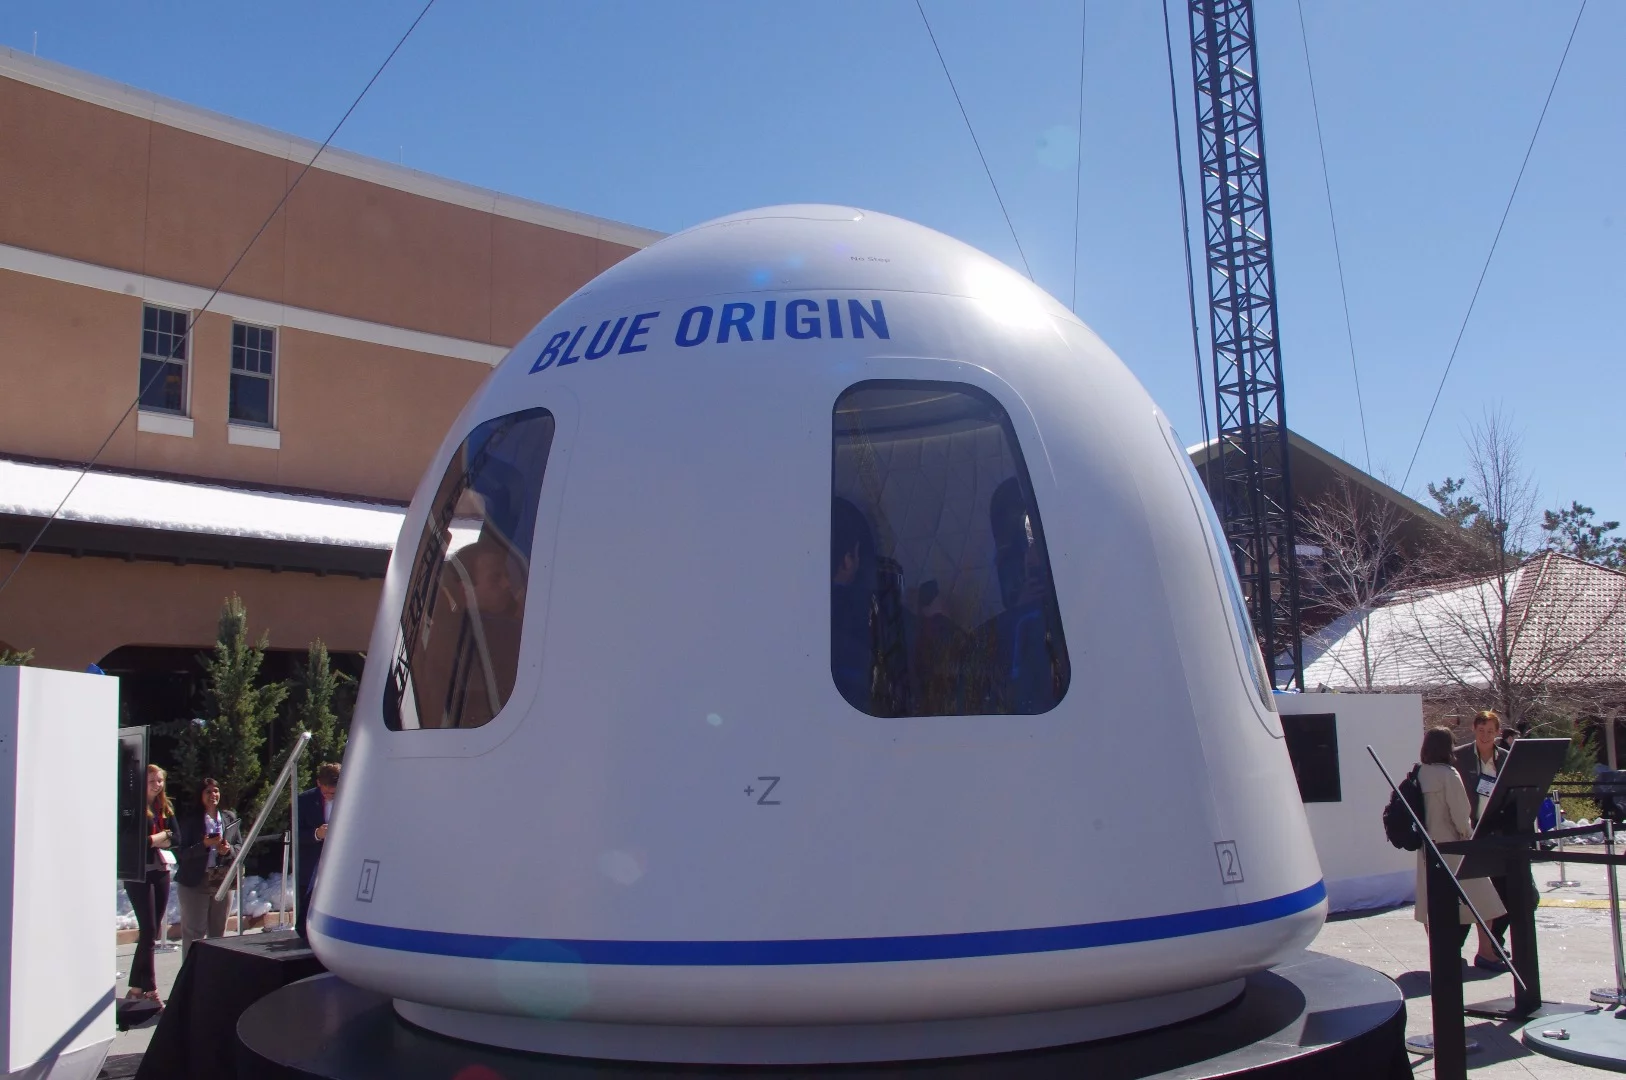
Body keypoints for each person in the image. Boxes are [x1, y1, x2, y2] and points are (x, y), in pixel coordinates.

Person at [1416, 726, 1507, 971]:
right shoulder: (1449, 774)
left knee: (1432, 905)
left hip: (1428, 848)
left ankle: (1443, 955)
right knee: (1485, 901)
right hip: (1454, 848)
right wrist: (1470, 838)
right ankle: (1486, 953)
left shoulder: (1419, 773)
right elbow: (1460, 815)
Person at [1454, 709, 1514, 948]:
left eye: (1490, 731)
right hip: (1471, 830)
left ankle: (1493, 943)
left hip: (1497, 831)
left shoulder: (1506, 758)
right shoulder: (1459, 757)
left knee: (1505, 891)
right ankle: (1455, 948)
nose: (1485, 736)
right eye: (1481, 730)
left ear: (1498, 733)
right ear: (1474, 729)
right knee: (1470, 891)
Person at [122, 764, 176, 1004]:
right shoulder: (134, 808)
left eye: (160, 780)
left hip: (160, 870)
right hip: (139, 874)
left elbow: (177, 837)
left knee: (151, 932)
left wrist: (159, 839)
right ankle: (151, 989)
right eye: (152, 781)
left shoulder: (165, 807)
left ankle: (136, 987)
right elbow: (136, 842)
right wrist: (159, 837)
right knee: (148, 929)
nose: (157, 785)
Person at [173, 777, 241, 961]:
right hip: (195, 882)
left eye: (216, 791)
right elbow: (181, 853)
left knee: (218, 933)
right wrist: (204, 845)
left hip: (221, 880)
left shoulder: (228, 817)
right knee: (194, 933)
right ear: (200, 795)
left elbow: (239, 846)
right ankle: (191, 974)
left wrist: (228, 850)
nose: (213, 795)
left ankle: (214, 972)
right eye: (208, 792)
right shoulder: (190, 820)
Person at [295, 762, 340, 939]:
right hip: (313, 862)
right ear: (318, 783)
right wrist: (317, 834)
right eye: (325, 792)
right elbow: (294, 833)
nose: (329, 796)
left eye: (333, 793)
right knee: (309, 903)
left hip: (340, 862)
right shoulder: (304, 801)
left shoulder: (353, 798)